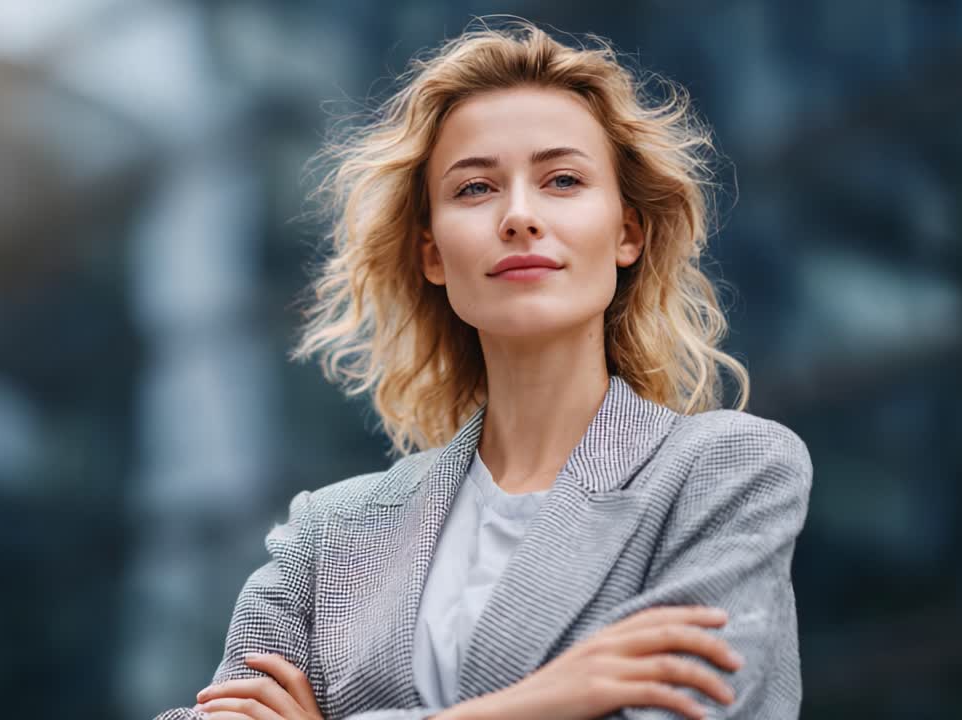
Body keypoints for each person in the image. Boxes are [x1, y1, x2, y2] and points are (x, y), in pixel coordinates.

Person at [157, 18, 812, 720]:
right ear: (433, 253)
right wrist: (538, 703)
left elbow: (689, 709)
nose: (520, 216)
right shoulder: (328, 536)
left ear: (627, 233)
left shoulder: (727, 473)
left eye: (562, 180)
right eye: (475, 189)